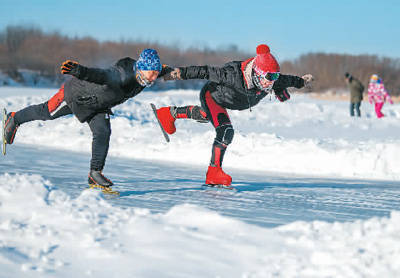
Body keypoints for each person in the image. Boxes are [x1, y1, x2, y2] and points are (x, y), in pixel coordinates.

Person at [3, 49, 174, 188]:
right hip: (77, 95)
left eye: (156, 73)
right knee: (47, 112)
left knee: (103, 132)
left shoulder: (146, 75)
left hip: (98, 104)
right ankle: (14, 118)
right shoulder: (120, 75)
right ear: (142, 67)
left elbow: (177, 71)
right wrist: (79, 71)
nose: (154, 77)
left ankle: (95, 173)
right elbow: (99, 75)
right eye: (152, 73)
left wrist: (198, 72)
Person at [157, 44, 314, 187]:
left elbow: (287, 80)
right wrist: (178, 74)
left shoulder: (271, 81)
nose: (272, 82)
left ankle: (168, 114)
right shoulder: (232, 75)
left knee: (206, 115)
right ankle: (214, 173)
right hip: (213, 96)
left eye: (275, 76)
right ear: (257, 73)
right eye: (270, 77)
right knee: (225, 131)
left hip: (227, 101)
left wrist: (301, 82)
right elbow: (205, 71)